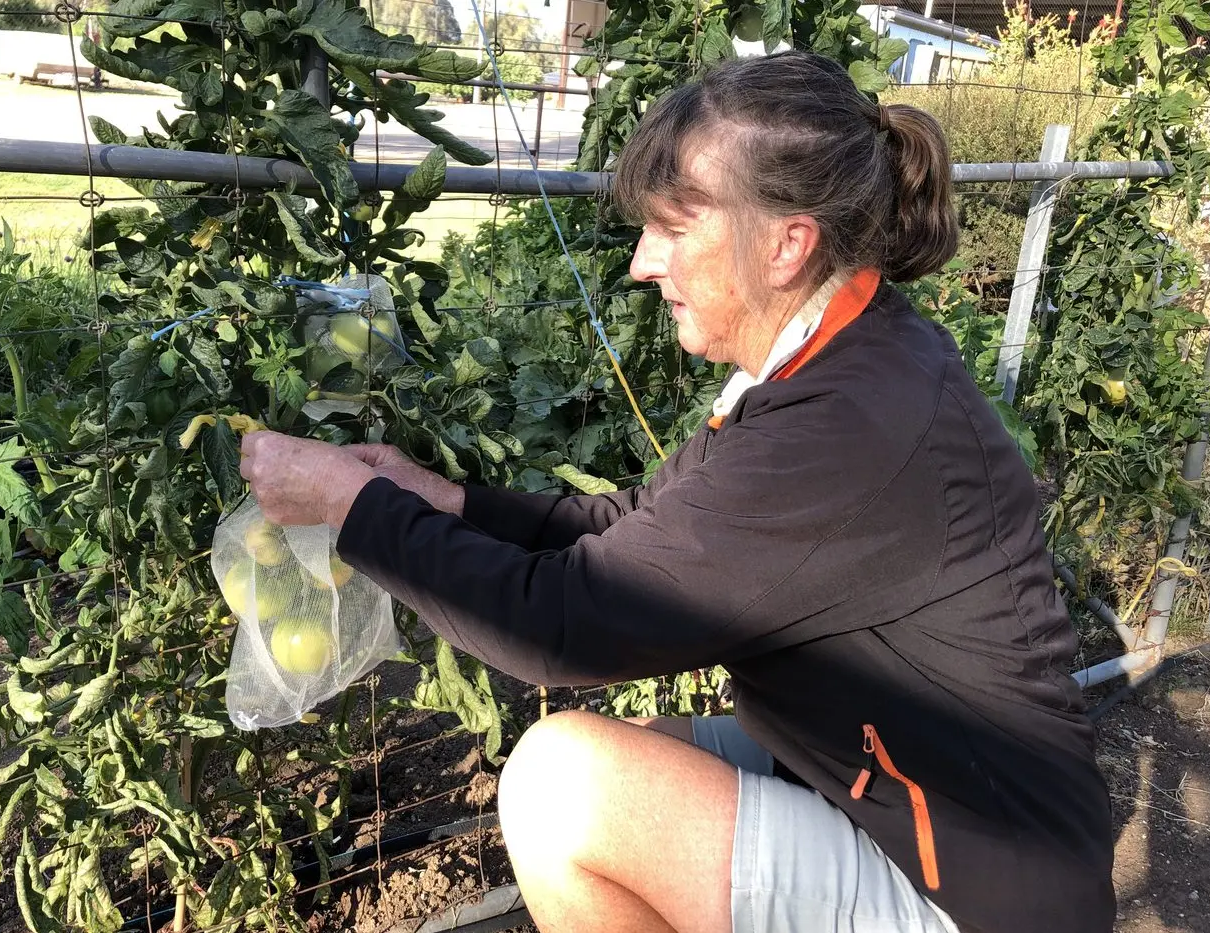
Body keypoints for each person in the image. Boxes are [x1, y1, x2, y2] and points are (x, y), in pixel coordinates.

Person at [239, 51, 1116, 933]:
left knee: (561, 787)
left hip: (975, 892)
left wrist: (354, 509)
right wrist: (439, 499)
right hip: (886, 784)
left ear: (785, 243)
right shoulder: (838, 357)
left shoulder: (847, 427)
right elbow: (629, 527)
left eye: (670, 225)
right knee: (638, 759)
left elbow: (564, 624)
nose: (640, 263)